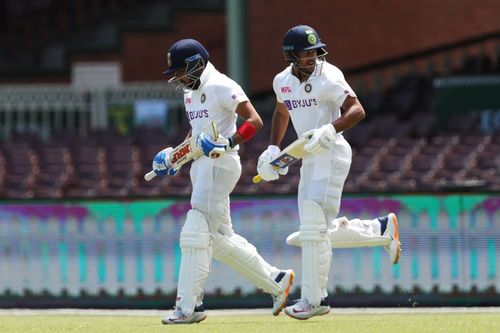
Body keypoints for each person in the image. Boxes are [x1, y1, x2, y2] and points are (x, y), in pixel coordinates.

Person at [256, 25, 401, 320]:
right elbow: (282, 112)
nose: (310, 57)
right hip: (309, 157)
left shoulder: (330, 75)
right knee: (313, 231)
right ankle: (379, 229)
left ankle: (314, 299)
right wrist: (273, 149)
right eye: (304, 52)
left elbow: (357, 110)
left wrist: (330, 129)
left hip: (332, 152)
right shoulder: (281, 81)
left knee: (312, 224)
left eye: (313, 51)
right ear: (290, 55)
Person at [152, 38, 294, 325]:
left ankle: (188, 307)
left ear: (197, 64)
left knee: (195, 230)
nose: (179, 79)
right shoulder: (190, 93)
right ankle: (277, 281)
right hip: (202, 167)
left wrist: (228, 142)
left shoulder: (221, 85)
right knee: (218, 239)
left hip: (221, 163)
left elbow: (254, 121)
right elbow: (196, 137)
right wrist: (174, 158)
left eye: (181, 71)